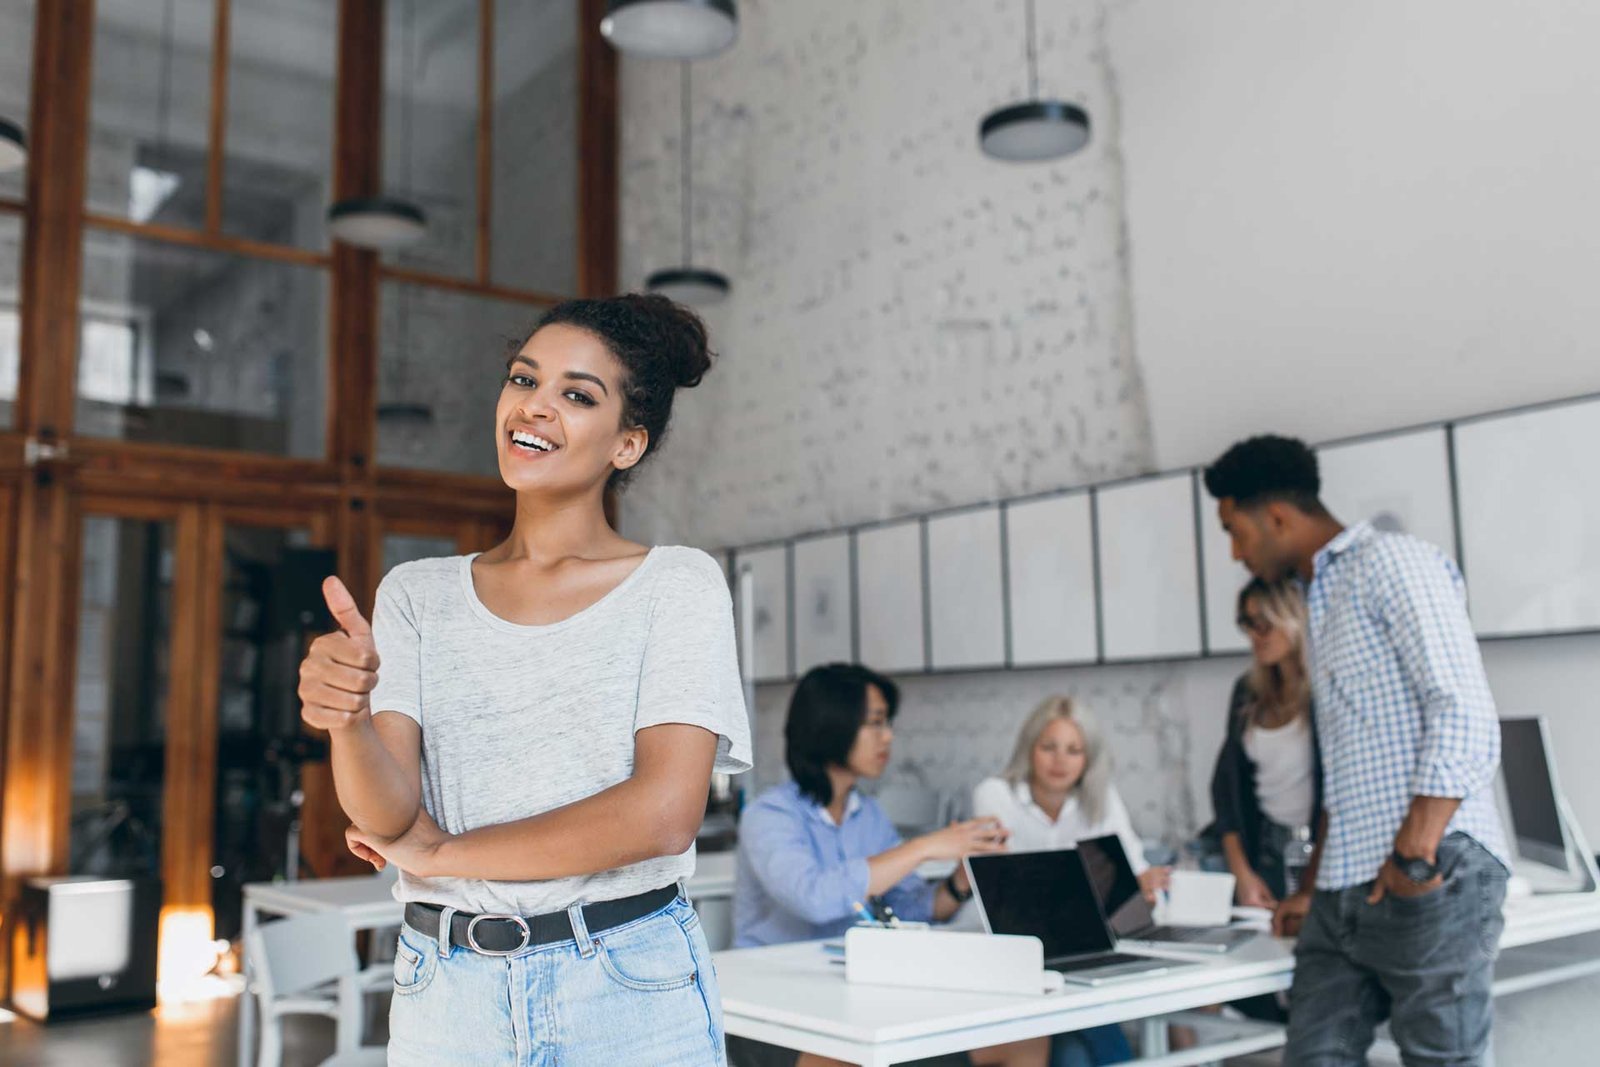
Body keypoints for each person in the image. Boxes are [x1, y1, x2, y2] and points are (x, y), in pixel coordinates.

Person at [296, 294, 753, 1066]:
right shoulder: (417, 593)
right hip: (446, 993)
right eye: (523, 379)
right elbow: (387, 808)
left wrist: (439, 856)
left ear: (628, 444)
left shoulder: (676, 585)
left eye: (578, 395)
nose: (534, 405)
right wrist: (347, 716)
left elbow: (663, 813)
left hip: (625, 986)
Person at [1203, 434, 1508, 1066]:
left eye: (1236, 531)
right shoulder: (1320, 597)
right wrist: (1312, 885)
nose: (1235, 553)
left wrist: (1414, 857)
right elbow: (1348, 770)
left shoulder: (1394, 562)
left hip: (1428, 873)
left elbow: (1463, 708)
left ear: (1278, 517)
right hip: (1344, 887)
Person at [730, 663, 1048, 1067]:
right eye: (876, 723)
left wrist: (959, 883)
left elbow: (912, 909)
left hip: (858, 1000)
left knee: (1024, 1039)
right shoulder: (769, 816)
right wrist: (924, 847)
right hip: (776, 1011)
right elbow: (814, 897)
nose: (888, 737)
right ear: (832, 727)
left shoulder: (869, 815)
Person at [972, 697, 1164, 1067]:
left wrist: (1143, 887)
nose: (1060, 761)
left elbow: (1133, 873)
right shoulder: (995, 795)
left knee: (1077, 1054)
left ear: (1088, 758)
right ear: (1029, 749)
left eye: (1074, 750)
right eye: (1049, 747)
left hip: (1078, 950)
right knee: (1085, 1044)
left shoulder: (1101, 798)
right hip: (1015, 952)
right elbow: (1011, 894)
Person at [1209, 577, 1323, 909]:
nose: (1254, 635)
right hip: (1265, 849)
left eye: (1264, 623)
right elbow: (1225, 790)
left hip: (1321, 846)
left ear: (1294, 618)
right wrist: (1242, 873)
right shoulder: (1247, 692)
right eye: (1247, 623)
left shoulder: (1324, 694)